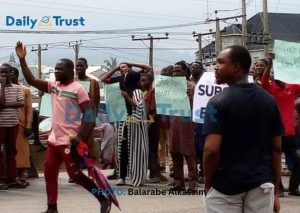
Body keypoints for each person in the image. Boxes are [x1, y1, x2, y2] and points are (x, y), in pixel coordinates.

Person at [15, 41, 111, 213]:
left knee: (75, 175)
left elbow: (89, 116)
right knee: (50, 172)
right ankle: (52, 207)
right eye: (55, 69)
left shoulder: (79, 89)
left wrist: (79, 137)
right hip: (54, 140)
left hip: (69, 141)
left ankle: (103, 198)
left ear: (70, 71)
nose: (56, 72)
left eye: (60, 69)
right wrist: (22, 59)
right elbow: (30, 80)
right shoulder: (53, 86)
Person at [203, 45, 283, 213]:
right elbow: (276, 148)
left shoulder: (216, 103)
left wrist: (208, 184)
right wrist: (275, 191)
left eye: (220, 62)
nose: (216, 67)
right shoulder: (269, 101)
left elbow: (211, 150)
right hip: (261, 186)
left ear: (236, 67)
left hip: (224, 188)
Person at [101, 62, 152, 180]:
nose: (122, 68)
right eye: (121, 67)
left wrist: (130, 63)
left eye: (124, 66)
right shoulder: (120, 79)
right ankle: (121, 175)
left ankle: (136, 174)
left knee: (135, 147)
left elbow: (148, 68)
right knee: (122, 147)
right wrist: (115, 68)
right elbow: (104, 79)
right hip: (124, 117)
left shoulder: (135, 82)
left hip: (135, 120)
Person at [261, 53, 300, 196]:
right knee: (274, 161)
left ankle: (294, 187)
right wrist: (270, 63)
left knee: (297, 161)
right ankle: (279, 189)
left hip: (290, 133)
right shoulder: (270, 87)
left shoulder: (292, 87)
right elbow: (264, 80)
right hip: (275, 132)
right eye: (275, 72)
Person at [167, 61, 197, 191]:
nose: (175, 73)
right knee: (175, 151)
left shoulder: (192, 86)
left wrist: (188, 95)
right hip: (174, 121)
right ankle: (178, 183)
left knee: (188, 152)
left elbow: (196, 105)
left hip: (187, 121)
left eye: (178, 71)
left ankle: (192, 184)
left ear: (186, 72)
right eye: (174, 71)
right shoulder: (171, 87)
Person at [115, 71, 149, 186]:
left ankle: (137, 177)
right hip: (125, 123)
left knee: (136, 151)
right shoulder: (124, 91)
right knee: (123, 150)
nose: (124, 80)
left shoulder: (137, 92)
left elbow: (138, 107)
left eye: (126, 78)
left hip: (135, 126)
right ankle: (122, 176)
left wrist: (127, 97)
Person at [0, 63, 26, 189]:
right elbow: (1, 103)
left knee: (11, 151)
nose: (4, 74)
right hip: (1, 124)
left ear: (11, 72)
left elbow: (21, 103)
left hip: (13, 123)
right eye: (1, 72)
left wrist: (6, 106)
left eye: (6, 72)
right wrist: (2, 87)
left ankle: (12, 178)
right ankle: (2, 178)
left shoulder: (17, 88)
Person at [74, 57, 100, 180]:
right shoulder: (72, 82)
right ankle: (76, 172)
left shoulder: (93, 82)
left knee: (89, 146)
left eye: (81, 65)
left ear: (86, 67)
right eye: (77, 66)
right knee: (74, 145)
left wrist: (93, 118)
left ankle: (91, 172)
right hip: (74, 118)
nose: (79, 68)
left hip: (88, 118)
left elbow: (97, 102)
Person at [141, 73, 167, 183]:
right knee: (152, 150)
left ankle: (154, 174)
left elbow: (155, 111)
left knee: (152, 150)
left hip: (152, 125)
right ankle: (157, 173)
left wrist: (149, 124)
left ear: (150, 81)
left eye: (144, 80)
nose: (142, 83)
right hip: (147, 124)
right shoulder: (145, 93)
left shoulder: (153, 92)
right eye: (141, 81)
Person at [11, 67, 33, 186]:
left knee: (22, 150)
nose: (9, 75)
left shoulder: (25, 90)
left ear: (17, 75)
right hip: (7, 123)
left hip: (22, 124)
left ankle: (21, 174)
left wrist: (29, 124)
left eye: (12, 73)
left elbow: (29, 110)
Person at [190, 61, 206, 184]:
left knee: (203, 146)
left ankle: (203, 172)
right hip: (189, 118)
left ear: (202, 69)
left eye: (196, 67)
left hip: (204, 118)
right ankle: (193, 173)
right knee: (193, 147)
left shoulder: (208, 82)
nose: (193, 69)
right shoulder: (187, 84)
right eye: (191, 67)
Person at [158, 65, 173, 175]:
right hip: (160, 119)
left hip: (170, 120)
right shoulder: (159, 88)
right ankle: (162, 165)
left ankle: (172, 166)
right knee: (161, 145)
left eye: (165, 75)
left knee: (171, 144)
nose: (162, 77)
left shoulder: (175, 88)